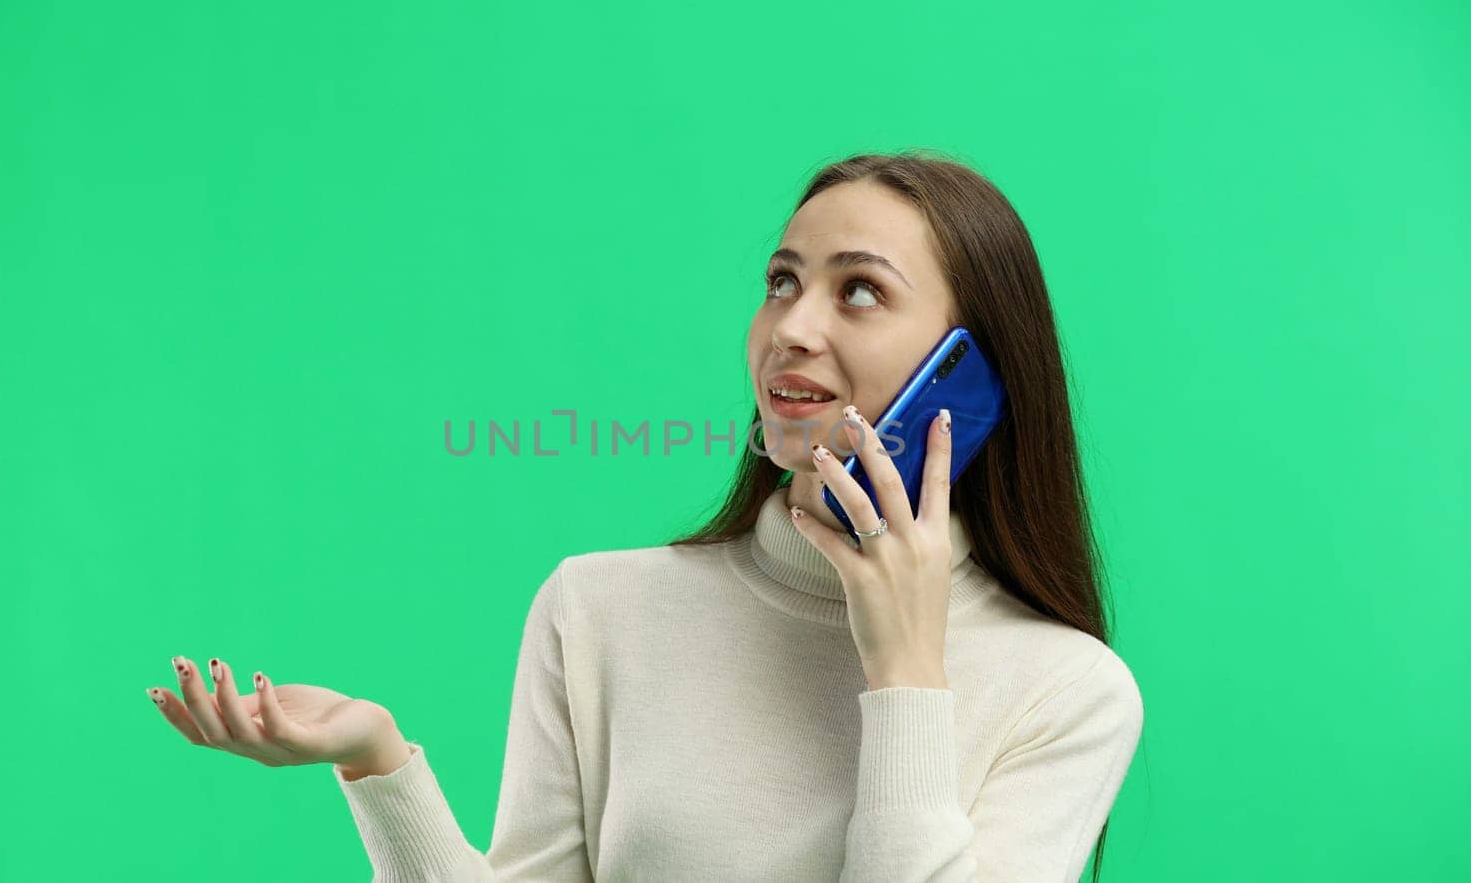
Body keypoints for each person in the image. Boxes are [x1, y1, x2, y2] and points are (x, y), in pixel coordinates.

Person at [147, 151, 1145, 882]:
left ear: (967, 373)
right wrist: (378, 762)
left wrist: (905, 674)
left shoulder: (1068, 692)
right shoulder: (600, 608)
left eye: (859, 293)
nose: (792, 329)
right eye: (783, 282)